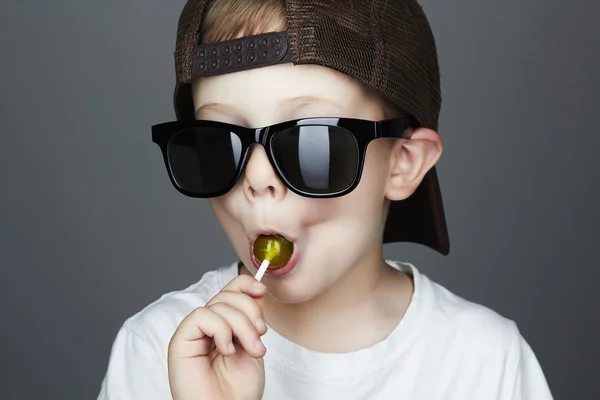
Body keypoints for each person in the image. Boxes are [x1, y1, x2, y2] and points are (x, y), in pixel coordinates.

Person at [98, 0, 553, 398]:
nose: (257, 178)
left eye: (310, 143)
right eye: (220, 144)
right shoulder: (161, 350)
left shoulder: (485, 362)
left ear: (403, 163)